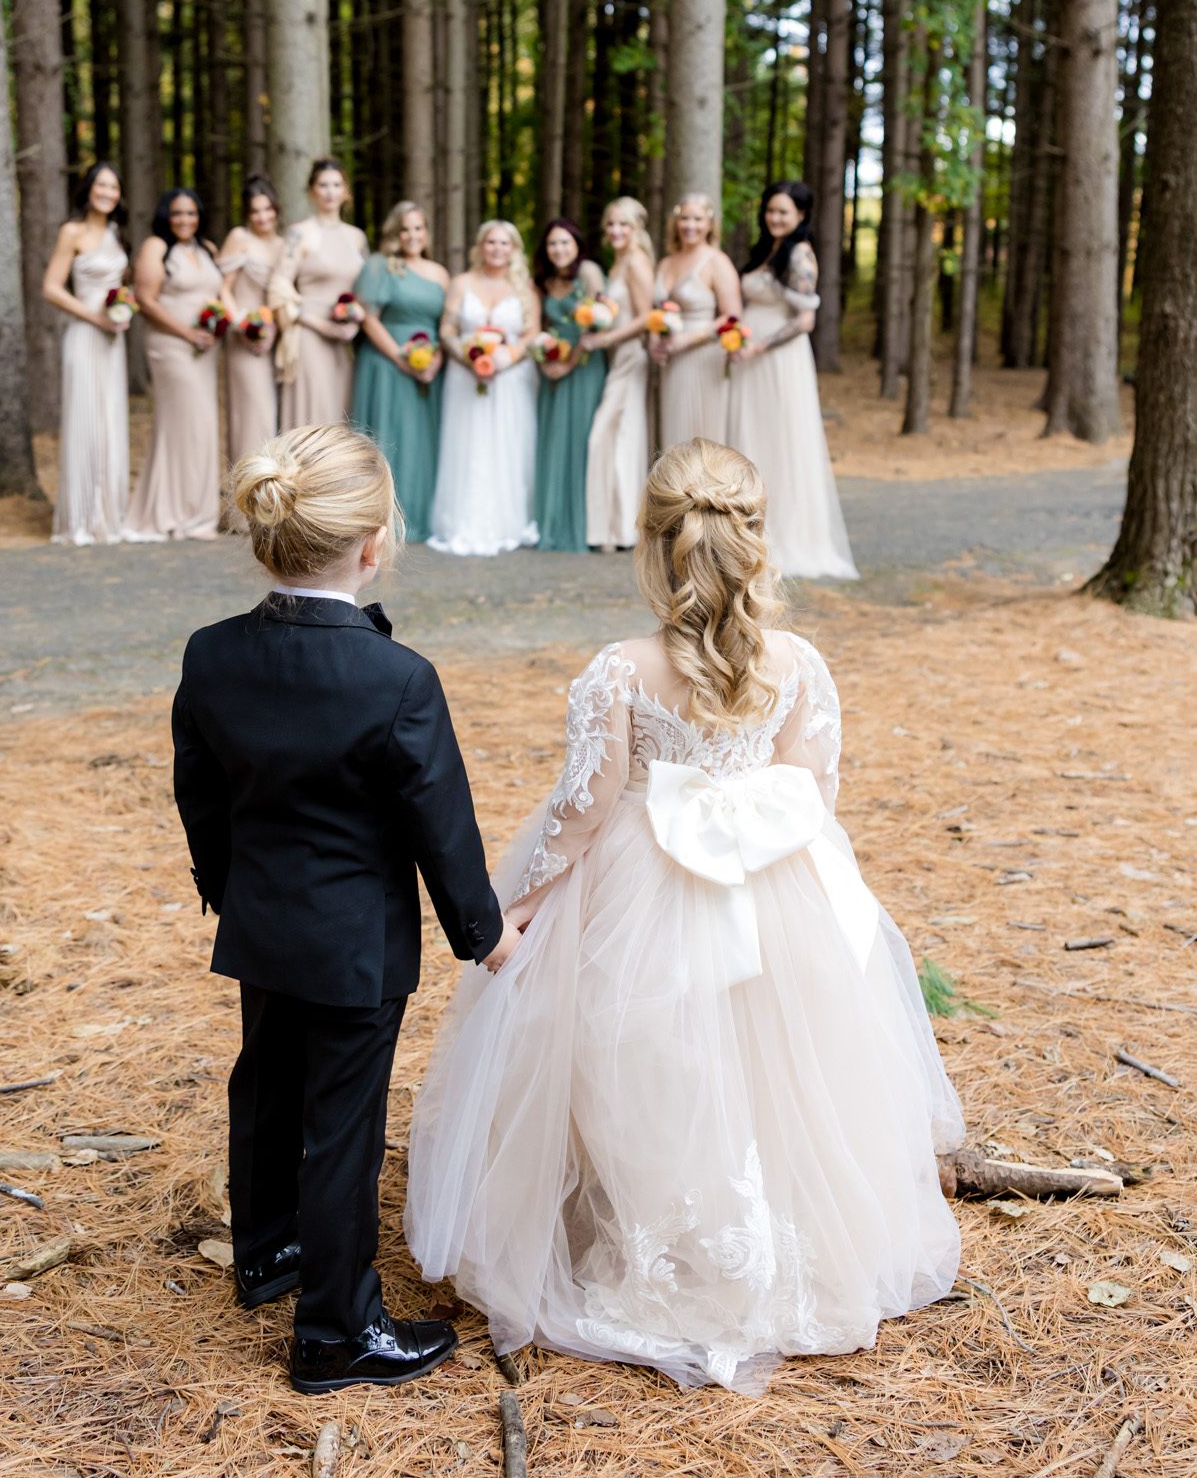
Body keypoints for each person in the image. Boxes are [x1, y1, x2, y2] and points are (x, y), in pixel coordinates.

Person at [406, 438, 963, 1393]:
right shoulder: (798, 662)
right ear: (756, 539)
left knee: (641, 1059)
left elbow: (584, 810)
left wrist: (517, 904)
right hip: (777, 884)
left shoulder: (620, 671)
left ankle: (667, 1243)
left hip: (638, 891)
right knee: (778, 1064)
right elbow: (812, 789)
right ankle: (776, 1243)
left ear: (653, 546)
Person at [172, 424, 520, 1393]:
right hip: (358, 946)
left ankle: (267, 1253)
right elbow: (440, 824)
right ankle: (334, 1332)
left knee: (266, 1089)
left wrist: (230, 890)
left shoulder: (212, 652)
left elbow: (199, 791)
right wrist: (484, 933)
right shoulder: (396, 678)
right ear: (372, 546)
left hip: (262, 922)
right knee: (342, 1126)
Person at [728, 181, 858, 581]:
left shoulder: (800, 254)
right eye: (770, 210)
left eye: (783, 211)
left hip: (779, 361)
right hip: (749, 360)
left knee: (780, 440)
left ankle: (787, 536)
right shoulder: (766, 249)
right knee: (751, 440)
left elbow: (805, 320)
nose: (775, 217)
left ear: (801, 214)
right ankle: (747, 536)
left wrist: (760, 346)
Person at [428, 220, 539, 556]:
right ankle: (461, 520)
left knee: (507, 444)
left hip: (510, 379)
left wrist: (508, 357)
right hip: (465, 377)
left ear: (514, 249)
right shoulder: (462, 283)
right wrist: (468, 356)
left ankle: (508, 522)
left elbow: (531, 333)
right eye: (491, 242)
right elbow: (447, 330)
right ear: (480, 246)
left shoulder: (524, 287)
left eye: (504, 243)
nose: (497, 249)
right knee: (468, 443)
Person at [124, 188, 224, 542]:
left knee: (204, 425)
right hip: (171, 346)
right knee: (185, 423)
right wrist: (187, 333)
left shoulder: (207, 249)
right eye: (178, 213)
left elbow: (218, 296)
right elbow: (146, 300)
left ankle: (200, 513)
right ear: (166, 216)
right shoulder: (156, 247)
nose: (185, 220)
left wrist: (215, 327)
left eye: (191, 213)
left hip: (205, 349)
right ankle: (174, 513)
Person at [44, 161, 130, 545]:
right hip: (84, 336)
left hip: (113, 340)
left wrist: (123, 309)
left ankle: (109, 515)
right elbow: (51, 287)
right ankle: (79, 517)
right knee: (84, 421)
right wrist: (95, 317)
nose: (107, 193)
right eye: (101, 185)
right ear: (89, 189)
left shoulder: (116, 233)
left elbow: (120, 288)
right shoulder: (72, 231)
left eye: (113, 187)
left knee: (110, 419)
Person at [351, 202, 448, 545]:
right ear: (394, 233)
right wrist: (400, 358)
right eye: (405, 229)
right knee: (388, 436)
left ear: (427, 232)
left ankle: (418, 516)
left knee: (420, 440)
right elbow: (368, 318)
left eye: (418, 228)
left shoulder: (439, 273)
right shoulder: (380, 266)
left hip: (428, 369)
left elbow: (447, 325)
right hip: (386, 364)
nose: (412, 235)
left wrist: (436, 359)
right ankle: (379, 521)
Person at [270, 158, 369, 431]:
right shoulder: (299, 233)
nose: (330, 192)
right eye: (323, 185)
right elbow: (279, 286)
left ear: (346, 191)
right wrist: (316, 323)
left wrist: (356, 320)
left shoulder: (357, 237)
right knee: (314, 414)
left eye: (336, 185)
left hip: (345, 340)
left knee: (341, 413)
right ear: (312, 191)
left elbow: (364, 289)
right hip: (310, 335)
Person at [581, 197, 655, 553]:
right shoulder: (618, 263)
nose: (615, 230)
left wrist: (605, 338)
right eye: (611, 224)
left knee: (608, 435)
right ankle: (611, 529)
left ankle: (621, 528)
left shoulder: (637, 262)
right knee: (615, 436)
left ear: (636, 228)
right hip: (617, 356)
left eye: (623, 224)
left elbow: (647, 317)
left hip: (631, 356)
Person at [531, 219, 607, 553]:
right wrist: (544, 359)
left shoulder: (588, 273)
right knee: (554, 439)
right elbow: (542, 325)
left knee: (580, 438)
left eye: (565, 242)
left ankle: (582, 525)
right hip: (553, 364)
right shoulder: (545, 281)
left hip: (584, 363)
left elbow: (597, 325)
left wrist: (569, 363)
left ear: (577, 245)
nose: (559, 249)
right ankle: (551, 521)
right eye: (552, 243)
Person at [652, 193, 743, 451]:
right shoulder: (665, 263)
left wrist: (686, 340)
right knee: (674, 434)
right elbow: (655, 311)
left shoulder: (717, 262)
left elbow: (733, 317)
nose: (690, 225)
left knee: (701, 434)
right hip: (670, 362)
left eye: (697, 219)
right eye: (684, 218)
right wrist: (655, 343)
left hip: (703, 357)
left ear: (710, 224)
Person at [218, 173, 285, 468]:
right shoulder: (239, 238)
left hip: (276, 338)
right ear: (247, 213)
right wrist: (242, 325)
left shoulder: (283, 245)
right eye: (255, 211)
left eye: (268, 209)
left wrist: (275, 330)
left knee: (275, 416)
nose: (263, 216)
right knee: (255, 413)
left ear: (276, 209)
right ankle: (247, 484)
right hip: (244, 337)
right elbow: (223, 289)